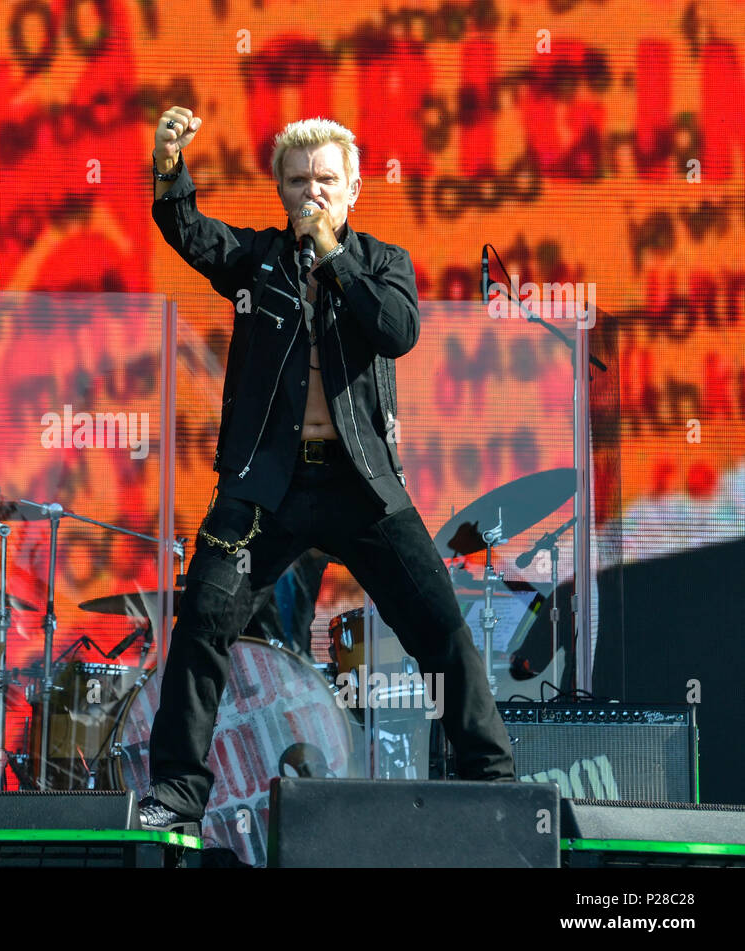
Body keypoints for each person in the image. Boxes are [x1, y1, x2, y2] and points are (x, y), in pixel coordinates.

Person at [139, 109, 516, 828]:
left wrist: (333, 256)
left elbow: (396, 331)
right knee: (203, 619)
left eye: (326, 182)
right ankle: (181, 791)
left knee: (439, 626)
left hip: (360, 482)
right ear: (280, 188)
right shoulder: (256, 263)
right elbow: (189, 232)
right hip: (266, 486)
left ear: (353, 190)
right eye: (299, 181)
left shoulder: (382, 262)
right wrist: (169, 164)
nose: (312, 194)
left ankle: (492, 776)